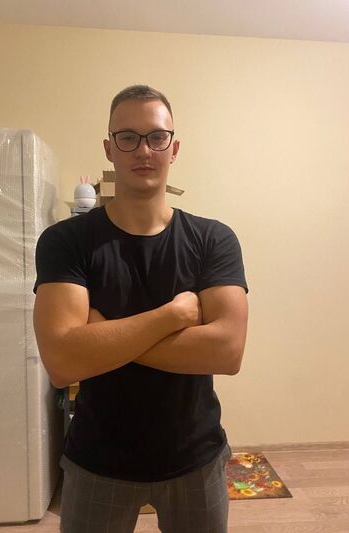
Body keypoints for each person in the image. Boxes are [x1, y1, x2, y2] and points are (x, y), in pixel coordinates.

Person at [33, 85, 248, 533]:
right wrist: (171, 317)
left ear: (174, 148)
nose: (143, 150)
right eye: (128, 137)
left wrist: (103, 335)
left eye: (156, 136)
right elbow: (63, 362)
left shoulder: (214, 240)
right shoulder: (66, 241)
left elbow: (227, 352)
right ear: (109, 148)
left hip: (195, 458)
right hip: (97, 461)